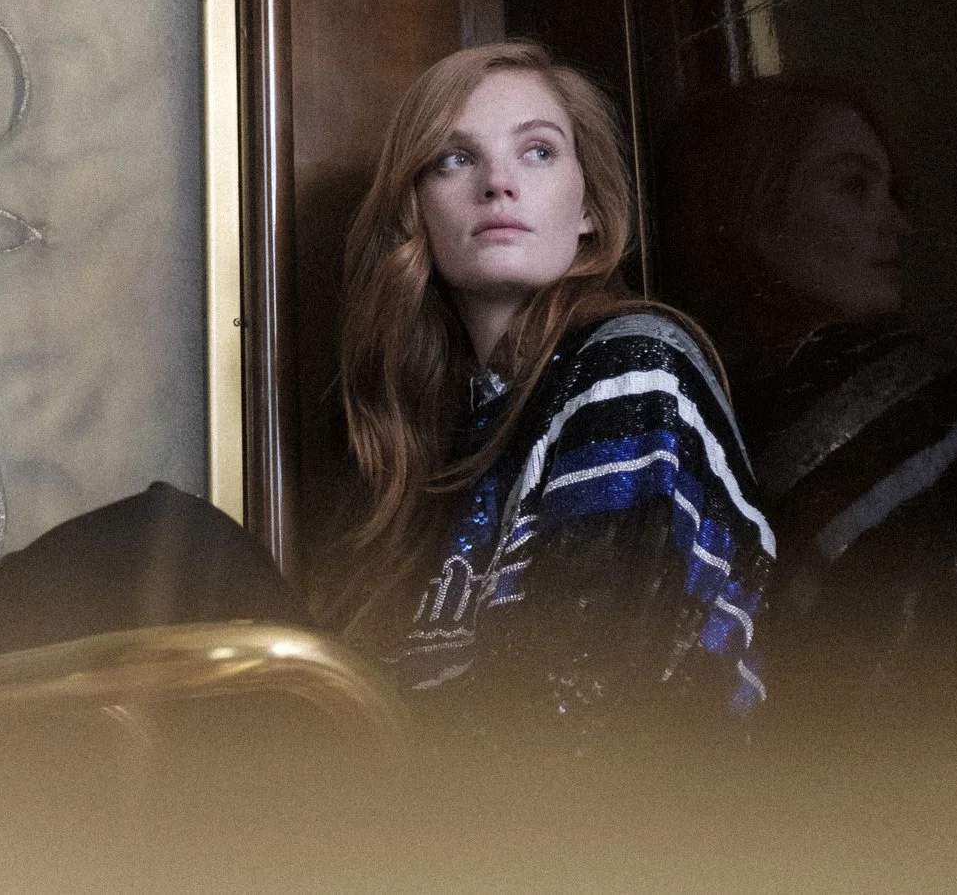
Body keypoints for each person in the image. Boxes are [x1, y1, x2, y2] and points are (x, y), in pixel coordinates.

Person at [314, 41, 773, 743]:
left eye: (537, 151)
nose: (498, 183)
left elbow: (589, 711)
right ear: (417, 210)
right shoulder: (437, 433)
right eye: (454, 158)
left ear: (589, 207)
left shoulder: (630, 365)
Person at [655, 77, 957, 731]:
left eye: (891, 192)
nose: (897, 223)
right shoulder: (683, 404)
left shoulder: (924, 399)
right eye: (854, 185)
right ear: (756, 210)